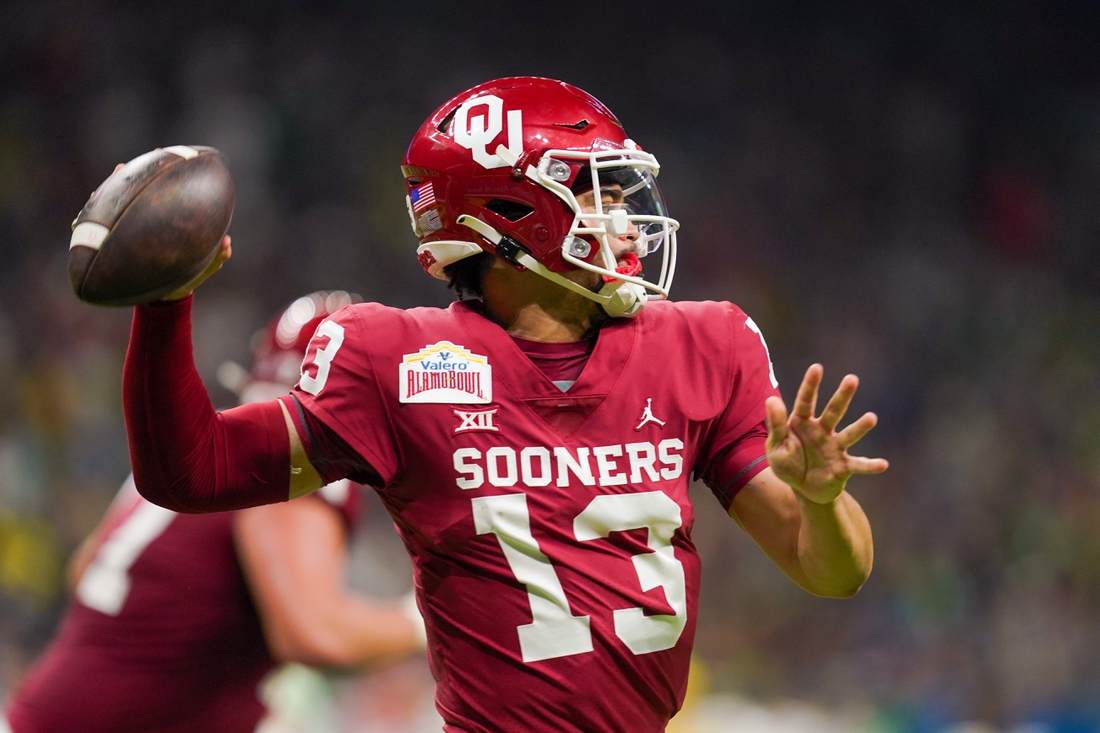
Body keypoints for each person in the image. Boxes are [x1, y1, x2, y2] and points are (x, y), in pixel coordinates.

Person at [118, 77, 888, 732]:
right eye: (597, 193)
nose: (626, 221)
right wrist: (163, 303)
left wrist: (822, 501)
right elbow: (191, 470)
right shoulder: (394, 361)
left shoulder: (706, 343)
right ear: (510, 220)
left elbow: (833, 573)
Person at [4, 291, 424, 733]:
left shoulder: (207, 444)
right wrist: (422, 621)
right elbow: (314, 633)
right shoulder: (292, 461)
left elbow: (84, 571)